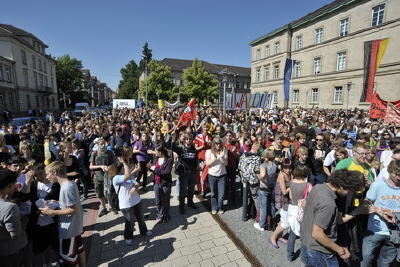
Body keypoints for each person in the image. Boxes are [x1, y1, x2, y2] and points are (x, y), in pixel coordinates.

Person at [300, 170, 365, 266]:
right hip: (319, 252)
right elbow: (317, 233)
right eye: (350, 190)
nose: (348, 194)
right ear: (342, 186)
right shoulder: (329, 204)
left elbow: (304, 205)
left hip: (306, 242)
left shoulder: (317, 187)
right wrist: (340, 250)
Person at [39, 161, 85, 267]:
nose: (47, 177)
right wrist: (56, 203)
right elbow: (69, 204)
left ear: (55, 172)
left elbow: (73, 209)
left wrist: (52, 212)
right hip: (73, 228)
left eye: (47, 174)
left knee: (69, 260)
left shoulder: (67, 187)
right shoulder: (68, 184)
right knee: (78, 252)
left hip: (69, 230)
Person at [361, 159, 400, 266]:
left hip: (395, 233)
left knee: (385, 263)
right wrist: (379, 211)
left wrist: (395, 216)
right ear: (389, 171)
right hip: (375, 230)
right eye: (396, 174)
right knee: (366, 259)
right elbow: (366, 203)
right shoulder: (377, 185)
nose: (398, 177)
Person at [109, 157, 152, 246]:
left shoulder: (127, 177)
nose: (126, 168)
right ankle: (128, 236)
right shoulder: (116, 178)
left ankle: (144, 231)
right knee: (130, 222)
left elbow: (136, 183)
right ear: (120, 169)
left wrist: (135, 187)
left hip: (136, 200)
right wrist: (124, 164)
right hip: (126, 204)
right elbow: (127, 176)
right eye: (124, 167)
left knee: (141, 218)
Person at [0, 168, 28, 267]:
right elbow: (15, 235)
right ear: (8, 186)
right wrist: (25, 219)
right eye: (14, 185)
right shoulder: (10, 207)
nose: (15, 188)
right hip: (10, 254)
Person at [286, 165, 311, 262]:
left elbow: (291, 197)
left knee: (292, 233)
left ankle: (289, 255)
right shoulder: (308, 185)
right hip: (302, 210)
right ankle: (304, 257)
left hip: (292, 209)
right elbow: (312, 198)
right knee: (304, 234)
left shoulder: (291, 183)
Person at [172, 133, 198, 214]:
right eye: (186, 139)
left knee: (191, 190)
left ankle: (190, 203)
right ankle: (181, 206)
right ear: (184, 140)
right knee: (182, 192)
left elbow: (195, 160)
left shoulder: (193, 149)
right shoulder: (181, 149)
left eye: (190, 139)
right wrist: (173, 137)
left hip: (192, 173)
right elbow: (172, 146)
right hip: (183, 174)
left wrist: (196, 168)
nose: (188, 141)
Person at [269, 159, 292, 248]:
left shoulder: (290, 174)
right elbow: (284, 191)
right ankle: (273, 237)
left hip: (288, 201)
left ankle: (279, 237)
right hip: (282, 201)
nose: (288, 170)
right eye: (285, 168)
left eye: (289, 168)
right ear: (282, 167)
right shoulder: (281, 175)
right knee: (286, 223)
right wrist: (292, 187)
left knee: (283, 220)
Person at [90, 137, 115, 217]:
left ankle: (111, 206)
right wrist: (101, 166)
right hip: (98, 176)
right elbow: (91, 166)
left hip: (108, 176)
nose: (103, 145)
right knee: (100, 193)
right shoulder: (95, 153)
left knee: (109, 191)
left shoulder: (110, 153)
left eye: (104, 144)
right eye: (101, 144)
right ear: (97, 145)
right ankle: (104, 207)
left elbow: (114, 163)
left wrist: (109, 167)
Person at [148, 146, 173, 223]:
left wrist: (154, 169)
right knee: (158, 201)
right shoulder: (155, 159)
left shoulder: (169, 160)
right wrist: (149, 167)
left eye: (156, 151)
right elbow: (153, 169)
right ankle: (159, 215)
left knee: (165, 201)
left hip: (165, 183)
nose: (154, 152)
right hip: (156, 183)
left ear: (160, 152)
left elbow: (166, 172)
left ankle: (166, 215)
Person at [205, 136, 228, 214]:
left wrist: (220, 156)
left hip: (222, 175)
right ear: (213, 144)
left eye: (220, 144)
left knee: (221, 194)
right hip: (212, 175)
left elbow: (226, 163)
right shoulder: (208, 152)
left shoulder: (224, 151)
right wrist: (215, 158)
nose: (218, 145)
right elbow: (207, 164)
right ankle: (214, 207)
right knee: (214, 193)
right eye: (216, 144)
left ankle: (220, 207)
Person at [256, 149, 277, 231]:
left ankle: (262, 224)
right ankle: (272, 220)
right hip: (271, 187)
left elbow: (263, 175)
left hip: (264, 188)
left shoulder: (263, 165)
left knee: (263, 207)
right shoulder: (274, 165)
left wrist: (258, 176)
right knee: (271, 204)